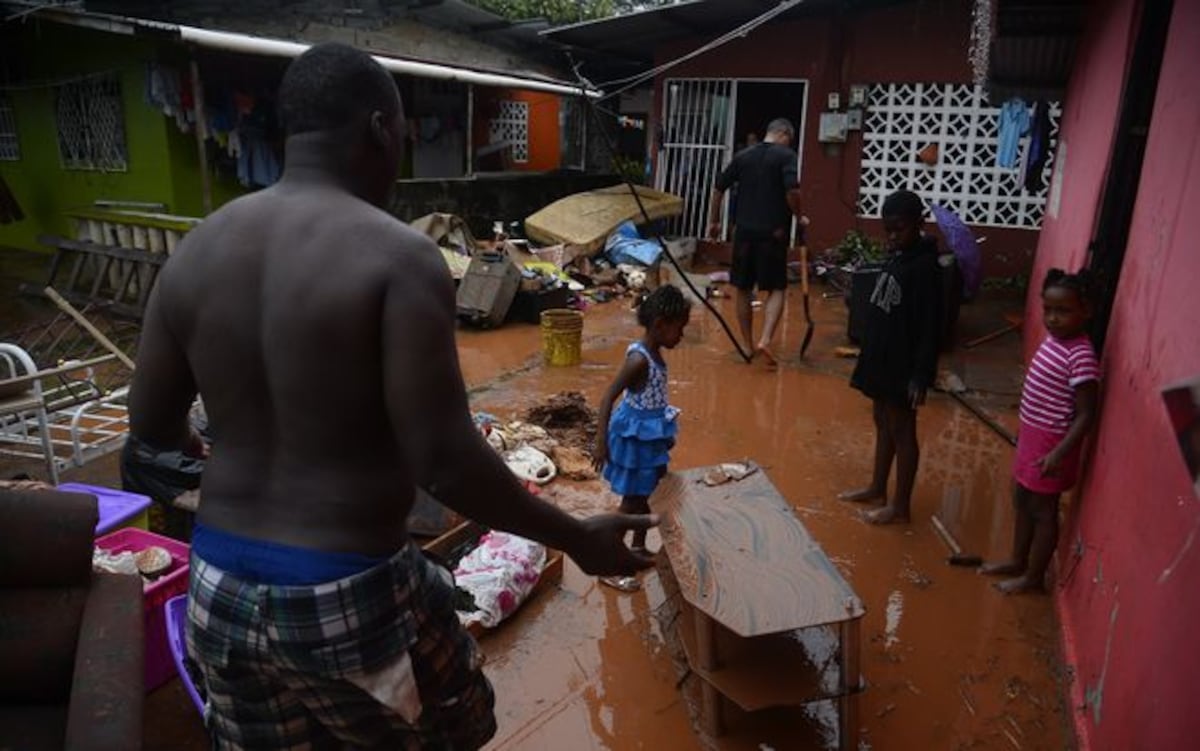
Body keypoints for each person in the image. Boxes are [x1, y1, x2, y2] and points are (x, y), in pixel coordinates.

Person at [127, 43, 655, 750]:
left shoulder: (197, 249)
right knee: (448, 729)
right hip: (344, 593)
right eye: (403, 133)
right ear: (380, 127)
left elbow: (151, 426)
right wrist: (576, 536)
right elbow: (443, 460)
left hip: (217, 582)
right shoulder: (397, 256)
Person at [982, 269, 1099, 594]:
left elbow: (1087, 415)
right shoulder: (1054, 341)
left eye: (1063, 311)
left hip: (1054, 444)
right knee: (1021, 498)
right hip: (1034, 437)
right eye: (1048, 309)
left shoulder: (1082, 356)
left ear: (1086, 310)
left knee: (1043, 511)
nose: (1053, 318)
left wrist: (1059, 453)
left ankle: (1033, 577)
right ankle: (1017, 560)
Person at [839, 190, 942, 524]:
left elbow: (931, 327)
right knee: (882, 420)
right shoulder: (897, 255)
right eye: (888, 230)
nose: (893, 235)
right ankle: (877, 487)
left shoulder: (927, 268)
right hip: (880, 357)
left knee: (902, 428)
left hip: (903, 362)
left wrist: (920, 375)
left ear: (918, 225)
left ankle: (901, 506)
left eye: (900, 229)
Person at [593, 285, 692, 591]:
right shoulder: (639, 361)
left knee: (650, 492)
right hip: (635, 440)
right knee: (632, 500)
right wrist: (600, 440)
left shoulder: (655, 353)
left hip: (649, 437)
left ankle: (637, 547)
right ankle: (606, 563)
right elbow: (609, 395)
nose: (682, 335)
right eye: (680, 328)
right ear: (661, 324)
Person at [707, 118, 803, 367]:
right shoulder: (786, 156)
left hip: (744, 234)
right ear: (784, 133)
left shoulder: (743, 156)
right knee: (777, 288)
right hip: (774, 234)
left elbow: (718, 188)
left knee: (742, 287)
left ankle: (748, 345)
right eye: (789, 139)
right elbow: (792, 191)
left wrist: (714, 221)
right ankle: (765, 340)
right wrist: (799, 215)